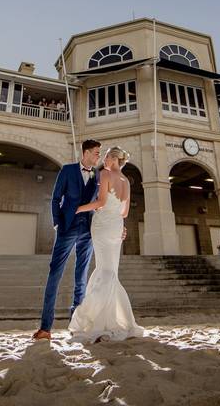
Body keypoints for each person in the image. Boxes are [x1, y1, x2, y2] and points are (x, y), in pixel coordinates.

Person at [68, 146, 144, 342]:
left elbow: (101, 202)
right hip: (117, 226)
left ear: (113, 159)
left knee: (104, 271)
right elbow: (125, 212)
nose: (104, 159)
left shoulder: (105, 174)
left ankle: (96, 320)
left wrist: (78, 209)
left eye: (107, 156)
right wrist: (116, 223)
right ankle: (113, 321)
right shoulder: (126, 181)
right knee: (110, 272)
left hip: (102, 226)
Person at [33, 139, 102, 340]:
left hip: (88, 230)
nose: (99, 156)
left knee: (81, 278)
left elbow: (100, 202)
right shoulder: (67, 170)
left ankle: (76, 325)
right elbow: (55, 198)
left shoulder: (98, 175)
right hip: (67, 228)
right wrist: (57, 223)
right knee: (55, 274)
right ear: (87, 153)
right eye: (97, 152)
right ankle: (46, 327)